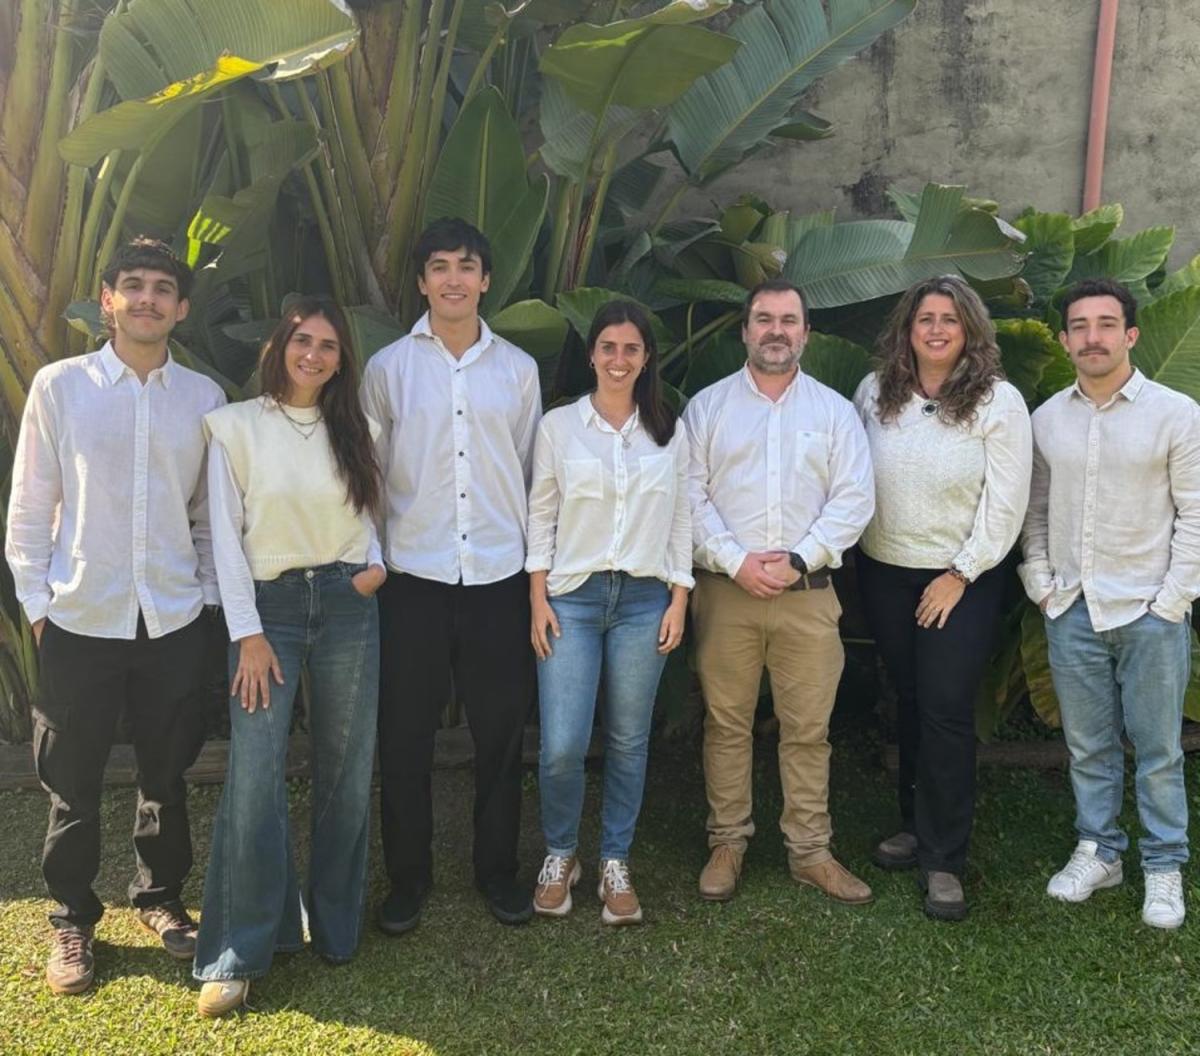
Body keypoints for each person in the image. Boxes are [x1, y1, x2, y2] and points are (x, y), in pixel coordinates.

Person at [5, 237, 224, 995]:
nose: (147, 299)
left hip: (171, 618)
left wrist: (205, 600)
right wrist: (39, 605)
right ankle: (71, 917)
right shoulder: (61, 388)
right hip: (79, 618)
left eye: (163, 288)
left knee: (166, 770)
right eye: (132, 286)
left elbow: (209, 517)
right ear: (106, 300)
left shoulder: (203, 400)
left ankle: (160, 899)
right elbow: (30, 506)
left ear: (181, 308)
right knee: (73, 776)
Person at [192, 298, 386, 1016]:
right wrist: (246, 633)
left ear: (341, 359)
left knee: (345, 769)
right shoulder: (235, 428)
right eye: (303, 340)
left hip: (346, 606)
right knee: (254, 775)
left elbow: (373, 510)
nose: (314, 354)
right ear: (280, 345)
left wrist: (376, 566)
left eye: (329, 345)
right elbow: (223, 536)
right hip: (267, 613)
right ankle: (240, 948)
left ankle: (333, 923)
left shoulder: (357, 426)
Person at [362, 218, 542, 931]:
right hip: (412, 580)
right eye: (439, 267)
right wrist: (373, 562)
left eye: (467, 266)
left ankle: (497, 872)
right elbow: (369, 479)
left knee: (501, 735)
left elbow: (533, 474)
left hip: (499, 577)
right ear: (421, 281)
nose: (454, 280)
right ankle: (407, 879)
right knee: (404, 735)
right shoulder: (386, 369)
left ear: (487, 279)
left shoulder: (518, 370)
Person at [683, 278, 876, 905]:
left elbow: (854, 500)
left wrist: (798, 559)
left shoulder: (833, 412)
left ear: (805, 334)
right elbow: (687, 496)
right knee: (727, 722)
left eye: (788, 320)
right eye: (763, 319)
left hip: (809, 594)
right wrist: (737, 562)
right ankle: (728, 842)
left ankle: (810, 851)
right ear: (744, 331)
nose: (775, 330)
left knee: (807, 729)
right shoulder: (707, 408)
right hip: (726, 594)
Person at [1020, 277, 1200, 929]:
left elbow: (1196, 514)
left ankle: (1163, 863)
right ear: (1066, 339)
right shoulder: (1046, 419)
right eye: (1079, 325)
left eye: (1105, 324)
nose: (1092, 336)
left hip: (1150, 612)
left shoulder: (1176, 414)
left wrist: (1172, 601)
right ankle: (1100, 850)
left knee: (1158, 751)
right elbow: (1034, 511)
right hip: (1071, 609)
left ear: (1130, 334)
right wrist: (1041, 582)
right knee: (1088, 747)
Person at [853, 275, 1032, 921]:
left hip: (960, 578)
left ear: (969, 332)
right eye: (925, 318)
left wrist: (961, 572)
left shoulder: (998, 402)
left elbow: (1006, 503)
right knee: (909, 699)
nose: (935, 329)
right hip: (885, 571)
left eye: (949, 320)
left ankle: (945, 859)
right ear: (907, 328)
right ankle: (916, 825)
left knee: (947, 710)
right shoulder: (876, 393)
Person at [526, 301, 692, 926]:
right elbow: (540, 515)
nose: (618, 360)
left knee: (628, 738)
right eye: (607, 348)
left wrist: (679, 597)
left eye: (631, 349)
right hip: (571, 596)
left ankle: (615, 860)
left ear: (646, 358)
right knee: (563, 743)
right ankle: (560, 854)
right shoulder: (559, 428)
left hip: (645, 601)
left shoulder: (669, 429)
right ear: (591, 354)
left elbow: (682, 517)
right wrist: (538, 596)